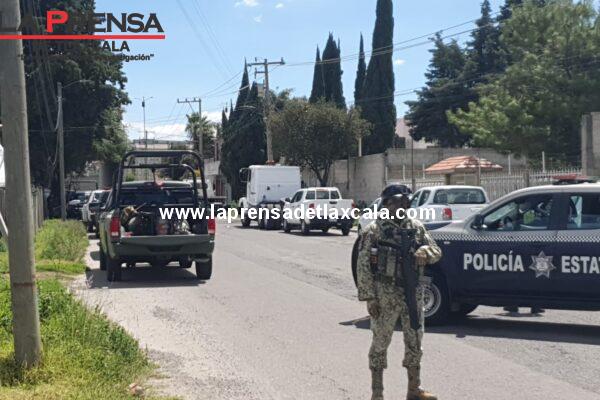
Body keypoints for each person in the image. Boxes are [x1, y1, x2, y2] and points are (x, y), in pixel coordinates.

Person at [357, 184, 442, 400]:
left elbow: (436, 251)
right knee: (380, 342)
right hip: (385, 293)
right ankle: (377, 393)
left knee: (415, 339)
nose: (402, 206)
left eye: (405, 202)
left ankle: (414, 389)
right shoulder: (374, 230)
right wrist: (370, 297)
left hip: (412, 292)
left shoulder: (416, 227)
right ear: (386, 204)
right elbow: (363, 266)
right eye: (397, 202)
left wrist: (425, 251)